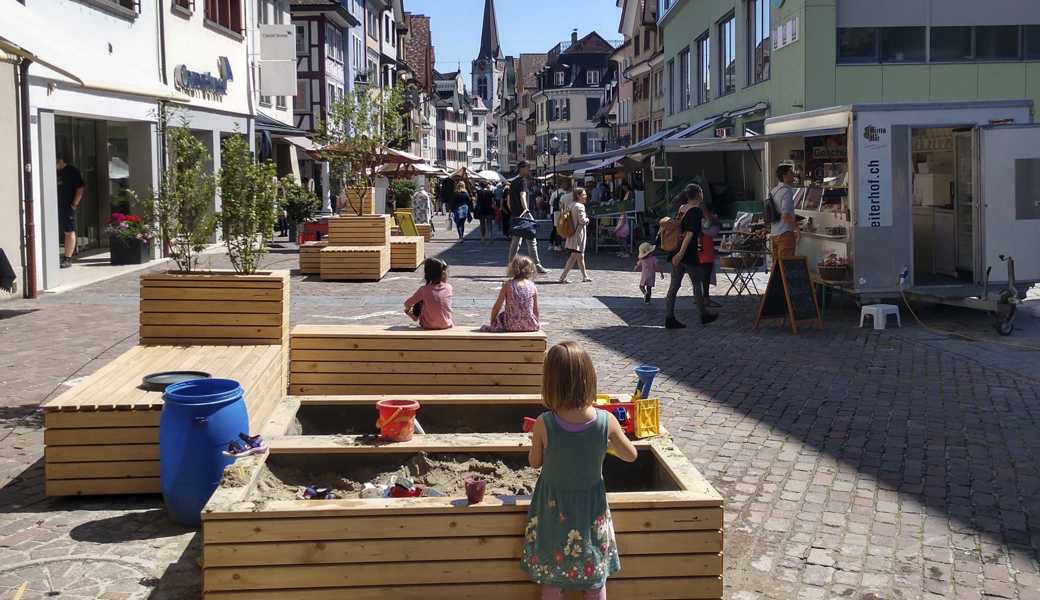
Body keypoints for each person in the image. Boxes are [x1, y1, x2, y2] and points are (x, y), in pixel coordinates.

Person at [522, 340, 638, 599]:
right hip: (590, 511)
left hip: (553, 510)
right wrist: (605, 444)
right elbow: (631, 455)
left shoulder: (544, 423)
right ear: (589, 378)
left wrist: (534, 443)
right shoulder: (606, 421)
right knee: (595, 576)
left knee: (552, 576)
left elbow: (534, 462)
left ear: (550, 383)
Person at [664, 185, 718, 329]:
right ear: (699, 194)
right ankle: (703, 315)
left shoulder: (682, 208)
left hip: (676, 251)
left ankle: (669, 317)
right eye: (701, 192)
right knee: (696, 284)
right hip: (687, 253)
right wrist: (681, 253)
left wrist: (677, 253)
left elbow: (679, 228)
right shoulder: (695, 211)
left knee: (674, 286)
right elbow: (690, 233)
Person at [508, 161, 549, 274]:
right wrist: (526, 209)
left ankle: (511, 266)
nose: (529, 170)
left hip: (516, 215)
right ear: (522, 168)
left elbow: (508, 199)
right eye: (528, 168)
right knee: (531, 240)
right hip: (524, 215)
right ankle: (537, 265)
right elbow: (523, 195)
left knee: (516, 242)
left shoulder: (513, 182)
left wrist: (513, 210)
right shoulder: (522, 181)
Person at [482, 255, 541, 332]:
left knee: (502, 316)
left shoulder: (507, 285)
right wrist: (535, 322)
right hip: (529, 324)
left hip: (510, 324)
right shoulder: (532, 286)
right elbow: (535, 309)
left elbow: (497, 306)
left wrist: (493, 322)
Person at [403, 258, 453, 330]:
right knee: (429, 301)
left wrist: (407, 310)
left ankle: (414, 316)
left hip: (428, 325)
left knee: (421, 301)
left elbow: (407, 304)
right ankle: (416, 316)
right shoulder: (449, 287)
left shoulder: (424, 290)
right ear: (443, 274)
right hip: (446, 325)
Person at [56, 157, 85, 269]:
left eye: (56, 163)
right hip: (54, 206)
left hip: (67, 206)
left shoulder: (72, 172)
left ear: (61, 161)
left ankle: (67, 258)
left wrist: (74, 204)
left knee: (69, 230)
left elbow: (80, 188)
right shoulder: (53, 171)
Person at [559, 187, 592, 284]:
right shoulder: (580, 206)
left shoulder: (571, 205)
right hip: (578, 234)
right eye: (584, 195)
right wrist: (587, 219)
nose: (586, 196)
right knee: (576, 255)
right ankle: (563, 277)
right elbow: (582, 220)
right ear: (578, 196)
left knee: (578, 256)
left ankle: (584, 276)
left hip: (572, 233)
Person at [770, 164, 798, 259]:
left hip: (774, 232)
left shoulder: (774, 191)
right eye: (791, 172)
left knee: (777, 266)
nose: (793, 174)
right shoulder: (786, 192)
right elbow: (785, 215)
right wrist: (796, 229)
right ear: (784, 176)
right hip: (785, 233)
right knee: (786, 265)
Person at [699, 201, 723, 308]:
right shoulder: (704, 220)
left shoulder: (710, 220)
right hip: (703, 250)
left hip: (705, 250)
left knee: (704, 276)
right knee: (703, 275)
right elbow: (713, 230)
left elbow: (713, 229)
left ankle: (704, 297)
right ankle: (704, 298)